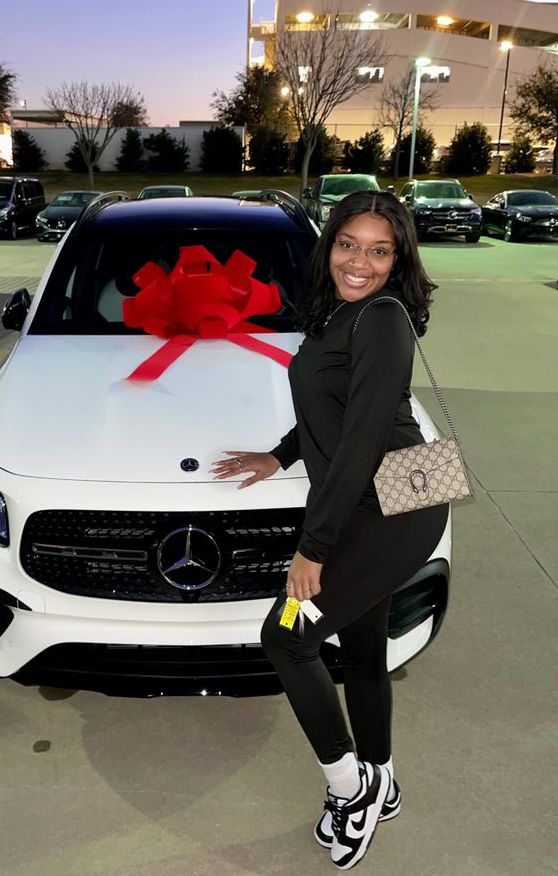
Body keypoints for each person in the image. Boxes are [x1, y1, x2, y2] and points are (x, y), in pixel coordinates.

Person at [211, 190, 448, 871]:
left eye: (380, 250)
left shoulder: (382, 320)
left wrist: (312, 548)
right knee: (363, 648)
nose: (360, 261)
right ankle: (383, 776)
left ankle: (352, 789)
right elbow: (332, 410)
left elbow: (365, 436)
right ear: (330, 244)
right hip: (376, 495)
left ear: (398, 258)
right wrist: (279, 455)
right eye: (349, 243)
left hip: (399, 501)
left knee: (286, 634)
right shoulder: (335, 313)